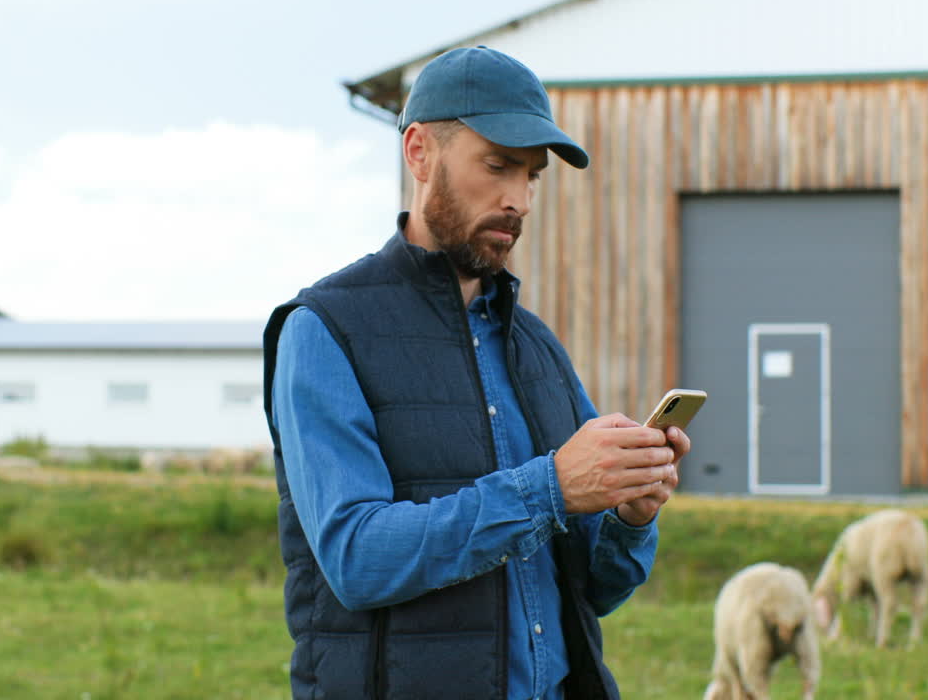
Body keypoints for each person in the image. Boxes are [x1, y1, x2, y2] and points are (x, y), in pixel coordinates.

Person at [263, 46, 691, 700]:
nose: (516, 199)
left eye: (531, 177)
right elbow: (356, 558)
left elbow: (590, 593)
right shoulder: (326, 330)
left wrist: (628, 517)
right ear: (418, 152)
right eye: (496, 166)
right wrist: (549, 488)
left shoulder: (538, 348)